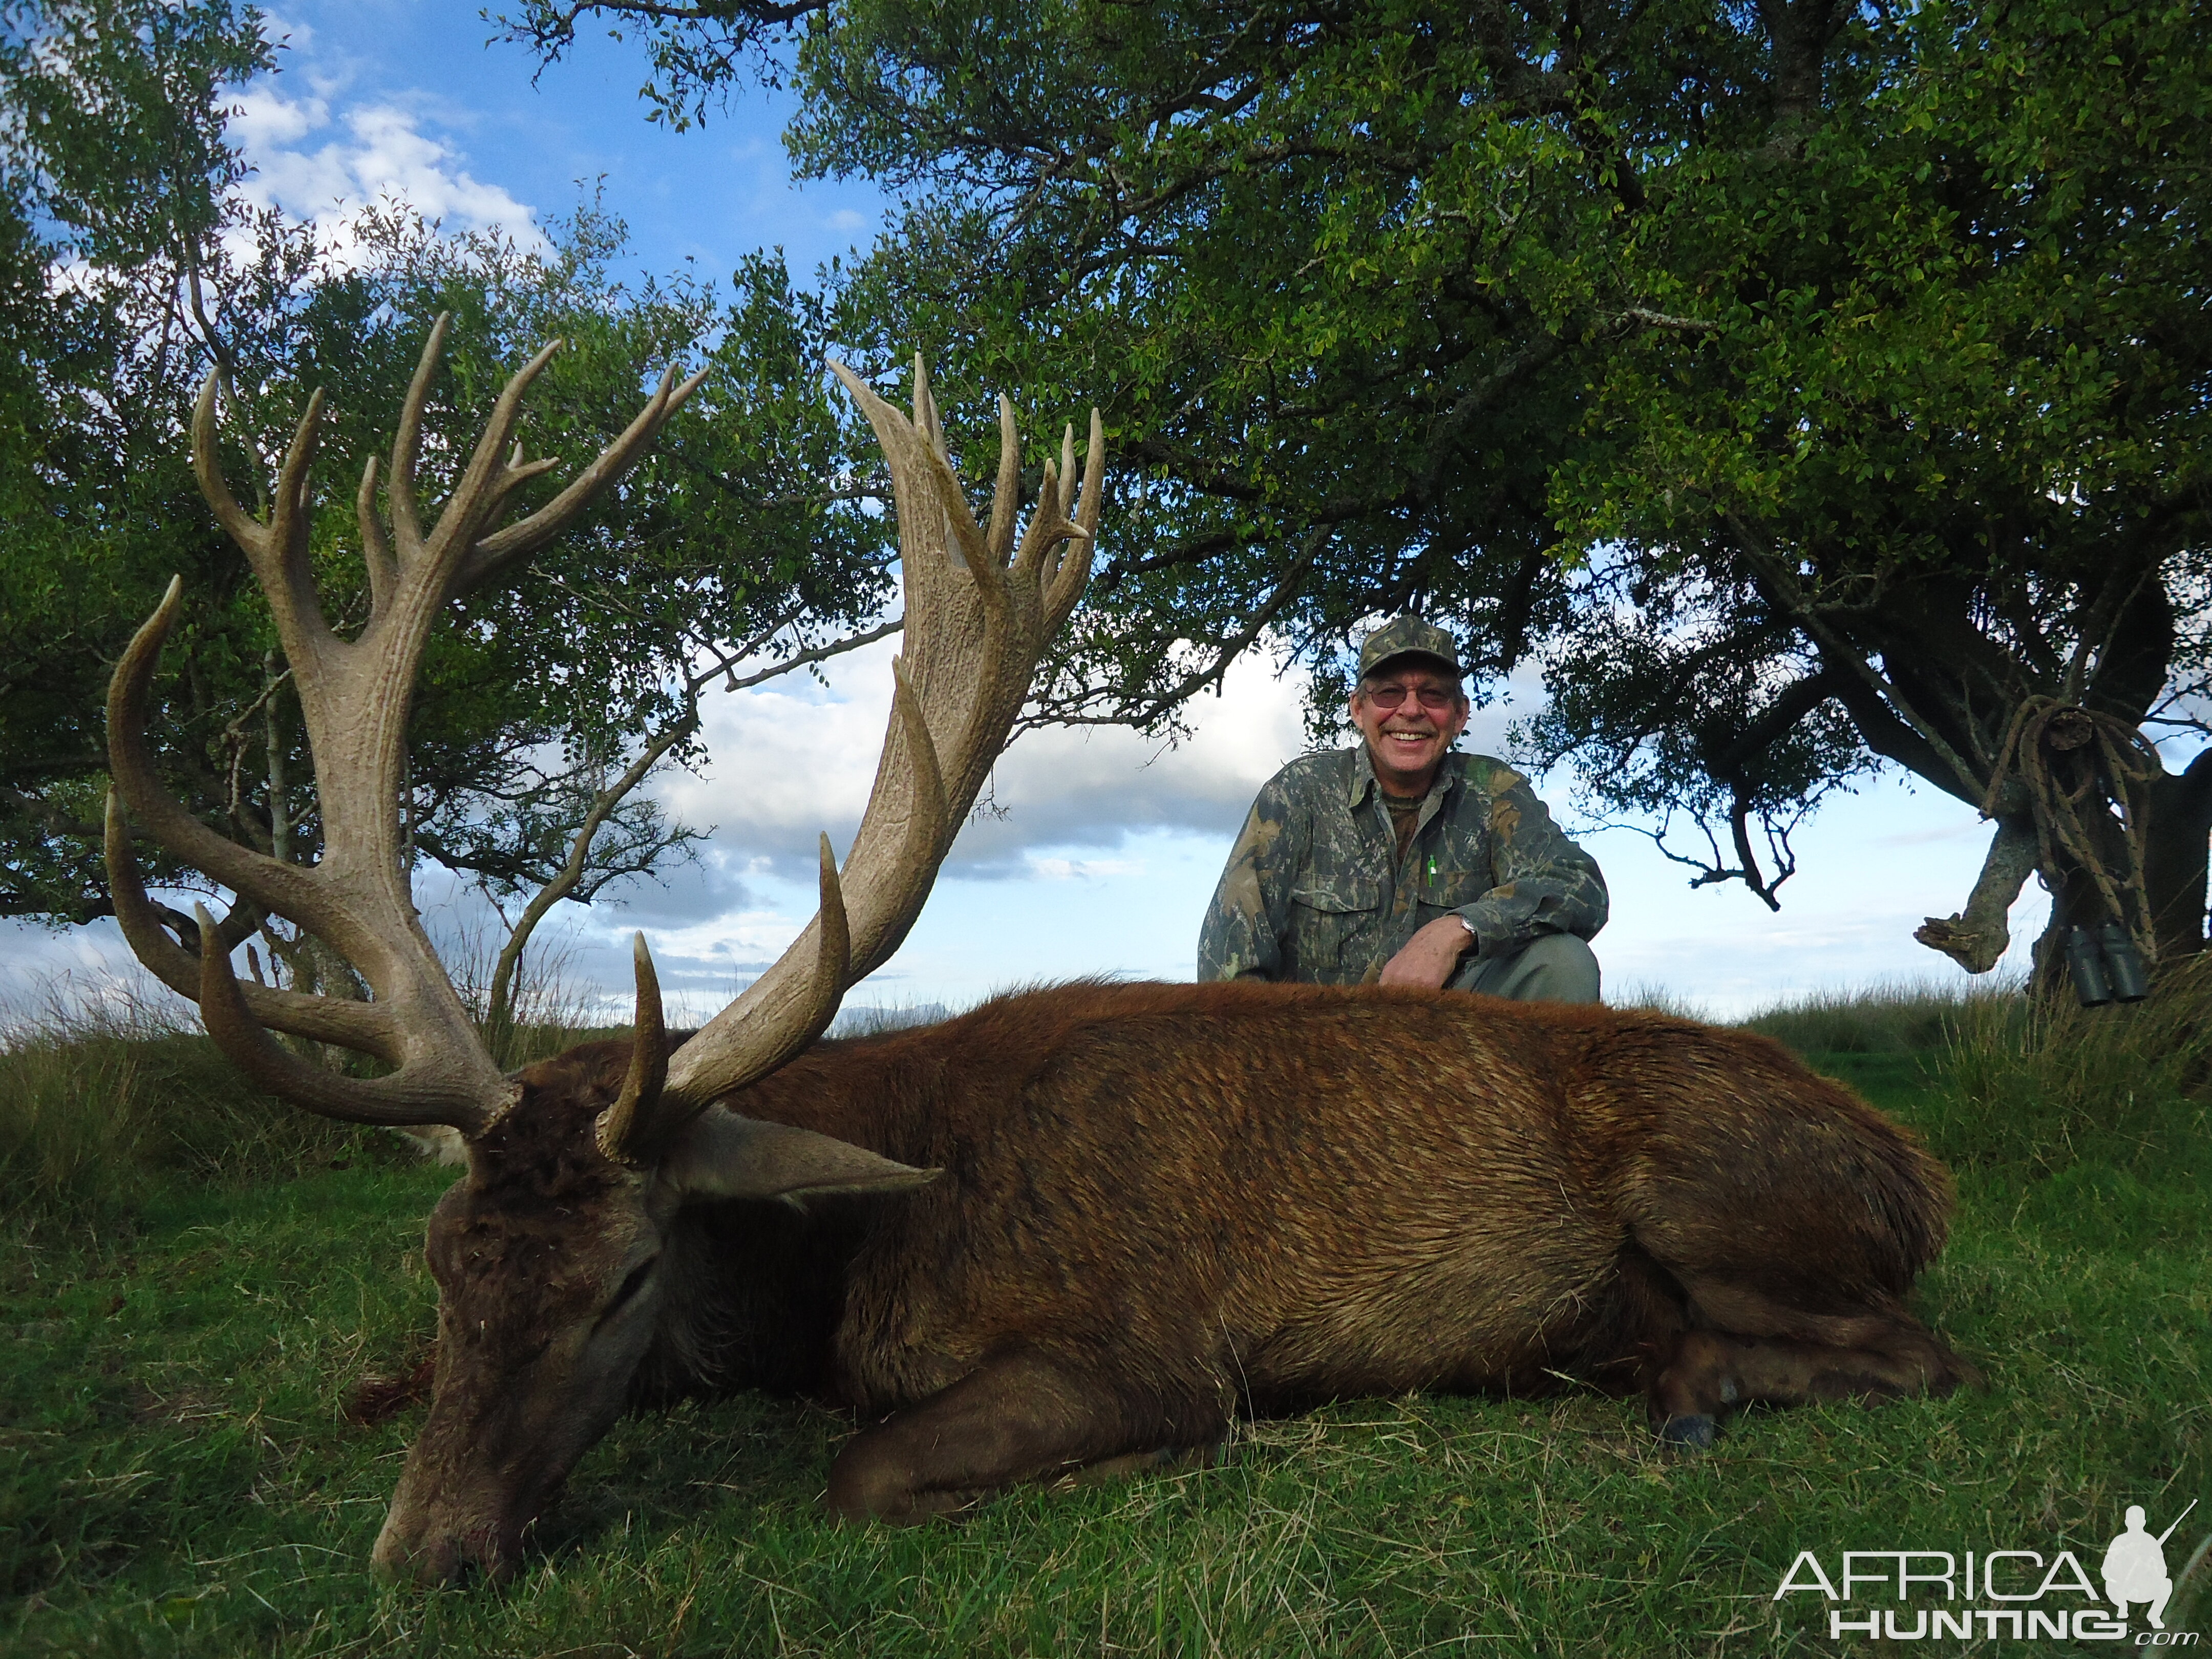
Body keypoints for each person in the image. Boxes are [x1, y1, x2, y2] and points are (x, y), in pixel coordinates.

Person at [1198, 615, 1607, 1001]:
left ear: (1460, 713)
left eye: (1433, 694)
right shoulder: (1299, 793)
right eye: (1389, 693)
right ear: (1359, 708)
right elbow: (1230, 961)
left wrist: (1460, 929)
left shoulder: (1495, 791)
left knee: (1563, 962)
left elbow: (1579, 884)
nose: (1411, 710)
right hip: (1318, 1054)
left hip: (1458, 1049)